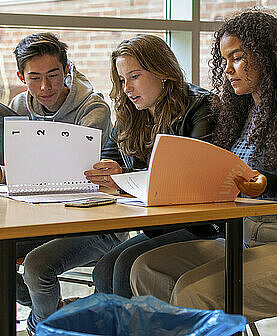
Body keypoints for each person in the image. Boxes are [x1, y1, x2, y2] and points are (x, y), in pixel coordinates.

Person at [130, 11, 277, 323]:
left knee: (193, 292)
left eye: (237, 58)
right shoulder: (242, 114)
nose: (227, 69)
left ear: (267, 57)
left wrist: (268, 183)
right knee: (146, 269)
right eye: (224, 59)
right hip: (244, 240)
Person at [0, 32, 119, 336]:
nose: (45, 87)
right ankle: (56, 312)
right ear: (20, 76)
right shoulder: (17, 106)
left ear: (67, 70)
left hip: (94, 225)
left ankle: (43, 325)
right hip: (39, 223)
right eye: (35, 77)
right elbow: (3, 168)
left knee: (37, 266)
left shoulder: (94, 110)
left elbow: (69, 169)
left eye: (54, 75)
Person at [85, 34, 221, 298]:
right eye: (122, 79)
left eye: (134, 76)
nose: (126, 88)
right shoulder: (130, 113)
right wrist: (105, 171)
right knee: (103, 270)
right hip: (157, 225)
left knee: (125, 266)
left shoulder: (201, 107)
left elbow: (190, 176)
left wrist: (122, 177)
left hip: (200, 226)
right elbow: (107, 159)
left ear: (162, 72)